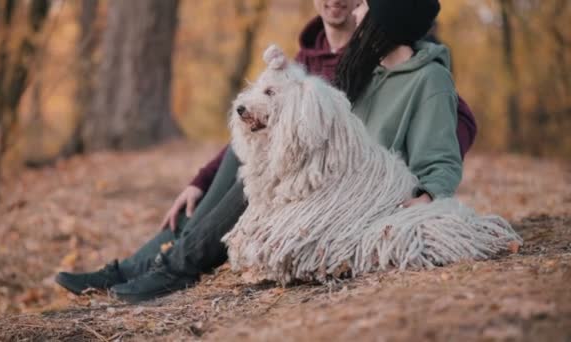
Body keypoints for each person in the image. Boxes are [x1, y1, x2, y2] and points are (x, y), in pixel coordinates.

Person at [55, 0, 475, 303]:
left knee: (265, 166)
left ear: (387, 23)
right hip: (320, 173)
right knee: (251, 144)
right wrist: (199, 181)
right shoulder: (361, 66)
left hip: (352, 188)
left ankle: (178, 266)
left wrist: (430, 192)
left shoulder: (426, 80)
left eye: (365, 7)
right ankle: (141, 266)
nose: (353, 12)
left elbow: (449, 138)